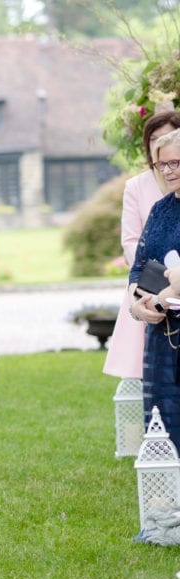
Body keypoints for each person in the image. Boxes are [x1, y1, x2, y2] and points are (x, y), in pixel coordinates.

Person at [104, 111, 180, 379]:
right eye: (154, 139)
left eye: (167, 136)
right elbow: (132, 241)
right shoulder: (141, 189)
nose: (160, 143)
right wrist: (146, 288)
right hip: (150, 286)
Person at [132, 129, 180, 438]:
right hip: (162, 339)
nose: (168, 170)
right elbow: (139, 267)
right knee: (164, 429)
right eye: (161, 165)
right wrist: (138, 306)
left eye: (175, 162)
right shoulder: (160, 210)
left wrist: (168, 294)